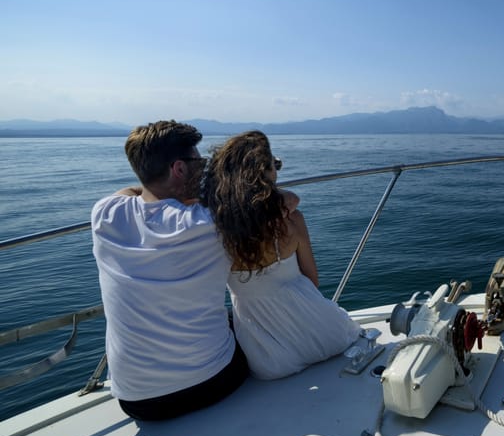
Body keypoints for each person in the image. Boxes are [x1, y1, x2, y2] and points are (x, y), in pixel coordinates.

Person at [91, 120, 248, 420]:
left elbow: (129, 191)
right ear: (178, 169)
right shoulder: (212, 222)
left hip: (137, 401)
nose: (203, 169)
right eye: (199, 163)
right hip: (213, 382)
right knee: (244, 322)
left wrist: (157, 189)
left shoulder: (104, 214)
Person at [203, 130, 362, 380]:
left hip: (269, 359)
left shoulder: (213, 229)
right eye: (274, 165)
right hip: (327, 335)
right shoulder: (292, 219)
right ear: (266, 174)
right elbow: (312, 280)